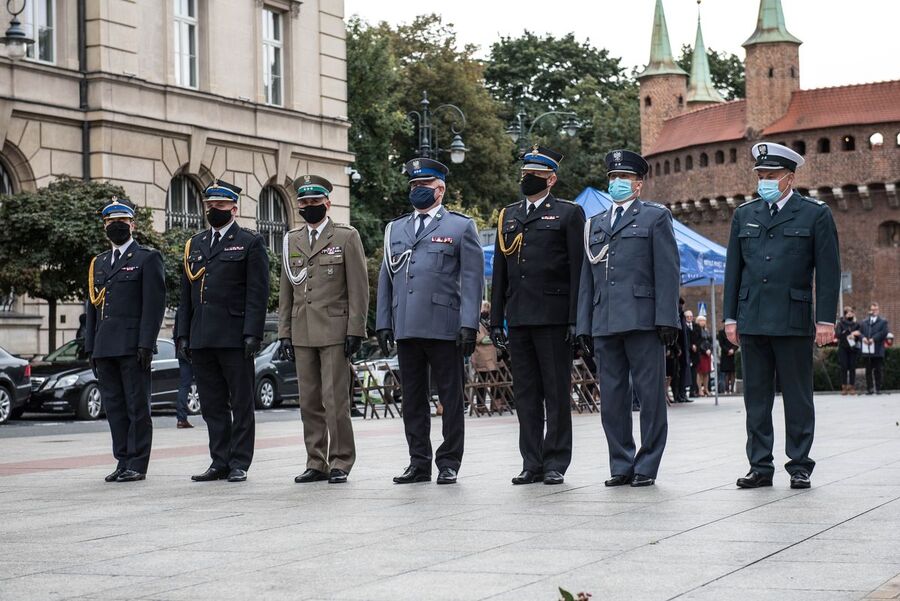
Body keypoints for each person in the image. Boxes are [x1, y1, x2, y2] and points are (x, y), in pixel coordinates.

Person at [724, 142, 840, 490]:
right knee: (755, 399)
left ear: (789, 178)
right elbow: (734, 270)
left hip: (793, 318)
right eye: (760, 175)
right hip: (753, 318)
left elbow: (829, 271)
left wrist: (826, 320)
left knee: (797, 397)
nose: (764, 181)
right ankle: (760, 466)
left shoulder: (815, 213)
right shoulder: (745, 214)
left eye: (771, 175)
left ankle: (800, 464)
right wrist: (730, 317)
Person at [575, 149, 680, 488]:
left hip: (643, 320)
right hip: (605, 321)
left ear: (638, 185)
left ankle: (647, 464)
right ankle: (620, 463)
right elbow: (586, 278)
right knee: (613, 398)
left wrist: (668, 318)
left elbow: (667, 270)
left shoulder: (655, 217)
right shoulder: (596, 223)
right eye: (612, 178)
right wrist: (583, 325)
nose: (616, 183)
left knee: (650, 397)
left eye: (624, 179)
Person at [376, 157, 483, 485]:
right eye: (413, 186)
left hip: (444, 325)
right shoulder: (396, 228)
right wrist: (383, 322)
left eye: (423, 186)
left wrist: (469, 324)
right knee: (412, 398)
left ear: (440, 190)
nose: (417, 191)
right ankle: (418, 461)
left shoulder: (459, 226)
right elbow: (387, 277)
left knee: (450, 397)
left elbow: (472, 279)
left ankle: (449, 461)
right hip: (406, 325)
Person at [490, 145, 585, 486]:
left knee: (556, 392)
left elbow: (578, 271)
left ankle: (556, 459)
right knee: (527, 393)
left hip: (554, 316)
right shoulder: (509, 215)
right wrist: (496, 317)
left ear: (551, 179)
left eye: (535, 175)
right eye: (525, 174)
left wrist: (576, 318)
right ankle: (531, 461)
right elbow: (499, 272)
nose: (527, 179)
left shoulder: (568, 214)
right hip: (518, 317)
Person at [278, 175, 369, 484]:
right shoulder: (292, 239)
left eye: (314, 203)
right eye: (303, 203)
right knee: (309, 401)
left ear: (327, 204)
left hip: (334, 330)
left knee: (335, 400)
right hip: (302, 330)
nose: (308, 208)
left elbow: (359, 287)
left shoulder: (345, 236)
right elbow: (286, 290)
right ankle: (316, 460)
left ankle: (341, 459)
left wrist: (356, 329)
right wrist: (284, 332)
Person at [177, 180, 270, 483]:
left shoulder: (249, 242)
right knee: (212, 404)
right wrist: (182, 334)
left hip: (234, 335)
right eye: (209, 205)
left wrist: (253, 334)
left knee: (241, 402)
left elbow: (258, 292)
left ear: (233, 207)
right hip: (202, 336)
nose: (213, 210)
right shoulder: (196, 243)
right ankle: (219, 460)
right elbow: (186, 295)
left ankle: (240, 461)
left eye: (219, 205)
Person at [84, 197, 165, 482]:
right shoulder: (100, 263)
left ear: (132, 224)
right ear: (104, 226)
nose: (116, 227)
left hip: (133, 346)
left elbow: (154, 306)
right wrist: (90, 347)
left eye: (121, 222)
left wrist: (146, 342)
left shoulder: (146, 258)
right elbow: (92, 309)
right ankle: (122, 459)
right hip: (105, 346)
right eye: (110, 223)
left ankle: (138, 463)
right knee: (115, 407)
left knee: (136, 406)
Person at [470, 301, 499, 413]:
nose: (486, 310)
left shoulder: (489, 323)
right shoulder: (477, 322)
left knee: (493, 382)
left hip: (491, 356)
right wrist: (492, 338)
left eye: (488, 308)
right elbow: (480, 339)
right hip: (481, 357)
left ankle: (494, 405)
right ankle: (480, 406)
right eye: (484, 308)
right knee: (481, 382)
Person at [859, 302, 889, 395]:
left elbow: (884, 332)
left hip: (878, 349)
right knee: (868, 370)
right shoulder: (864, 322)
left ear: (878, 310)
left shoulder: (883, 322)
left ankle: (878, 388)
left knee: (878, 370)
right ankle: (870, 389)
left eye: (876, 309)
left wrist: (873, 339)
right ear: (870, 310)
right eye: (872, 309)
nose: (874, 311)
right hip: (867, 350)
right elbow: (860, 333)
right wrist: (863, 338)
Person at [172, 309, 194, 428]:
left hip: (181, 351)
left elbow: (176, 333)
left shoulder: (179, 312)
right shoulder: (191, 309)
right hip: (192, 349)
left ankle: (181, 418)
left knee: (184, 385)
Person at [834, 307, 861, 395]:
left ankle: (852, 387)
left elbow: (860, 334)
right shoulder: (841, 324)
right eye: (848, 313)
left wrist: (855, 335)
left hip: (853, 348)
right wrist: (845, 334)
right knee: (844, 367)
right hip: (843, 348)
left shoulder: (856, 324)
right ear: (845, 314)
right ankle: (844, 387)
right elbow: (837, 335)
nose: (849, 314)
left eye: (851, 313)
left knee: (852, 367)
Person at [695, 315, 713, 396]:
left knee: (706, 372)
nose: (702, 322)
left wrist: (710, 350)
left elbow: (710, 341)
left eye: (704, 320)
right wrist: (705, 350)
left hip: (708, 354)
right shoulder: (696, 330)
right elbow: (698, 342)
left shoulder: (707, 330)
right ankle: (700, 390)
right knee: (700, 372)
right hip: (701, 353)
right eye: (701, 320)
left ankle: (706, 389)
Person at [717, 326, 738, 394]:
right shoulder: (721, 332)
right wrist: (728, 350)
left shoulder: (734, 332)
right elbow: (721, 344)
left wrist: (733, 350)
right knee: (726, 373)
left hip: (733, 355)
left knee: (732, 372)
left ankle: (732, 389)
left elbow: (737, 342)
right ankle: (726, 389)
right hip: (725, 354)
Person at [685, 310, 700, 397]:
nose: (689, 318)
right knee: (687, 372)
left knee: (694, 373)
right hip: (687, 352)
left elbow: (699, 338)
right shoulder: (684, 327)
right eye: (688, 317)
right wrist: (691, 346)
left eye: (691, 316)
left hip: (695, 353)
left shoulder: (696, 326)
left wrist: (696, 345)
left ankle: (693, 390)